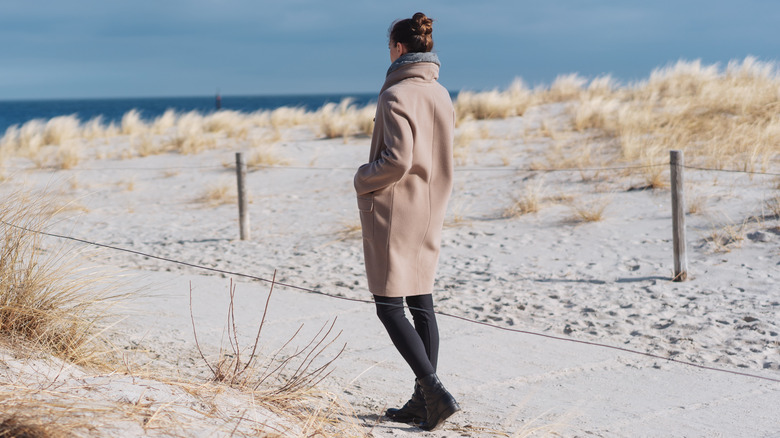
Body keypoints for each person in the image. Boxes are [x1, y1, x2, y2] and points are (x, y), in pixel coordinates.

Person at [353, 12, 459, 431]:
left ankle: (434, 391)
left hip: (395, 209)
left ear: (398, 49)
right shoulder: (442, 95)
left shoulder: (395, 95)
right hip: (430, 206)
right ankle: (423, 401)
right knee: (421, 301)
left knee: (388, 304)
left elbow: (396, 160)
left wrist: (363, 178)